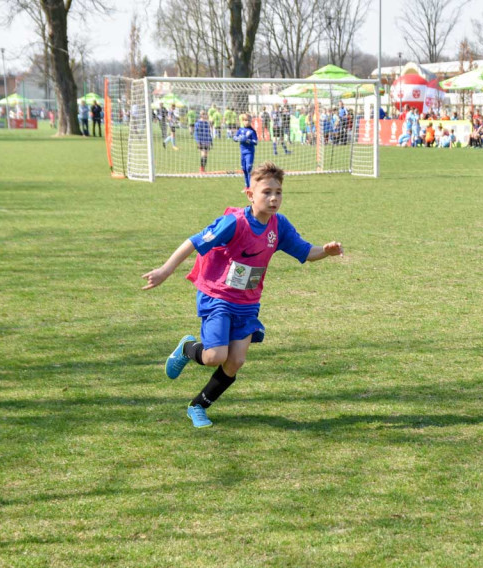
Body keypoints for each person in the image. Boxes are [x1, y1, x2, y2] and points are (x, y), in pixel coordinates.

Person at [141, 162, 344, 428]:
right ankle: (187, 349)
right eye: (266, 192)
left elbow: (305, 252)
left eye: (279, 192)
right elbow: (194, 241)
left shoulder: (279, 226)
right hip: (218, 297)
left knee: (235, 361)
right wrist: (166, 270)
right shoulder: (233, 223)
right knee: (215, 356)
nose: (273, 198)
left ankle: (198, 406)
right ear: (250, 194)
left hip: (248, 302)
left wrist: (326, 252)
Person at [232, 114, 258, 187]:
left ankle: (251, 185)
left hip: (250, 152)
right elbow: (234, 138)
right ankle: (247, 186)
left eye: (248, 120)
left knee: (249, 168)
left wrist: (247, 140)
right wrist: (238, 138)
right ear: (243, 121)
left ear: (251, 121)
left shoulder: (252, 131)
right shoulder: (241, 130)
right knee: (244, 169)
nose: (247, 122)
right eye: (245, 120)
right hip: (242, 152)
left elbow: (256, 142)